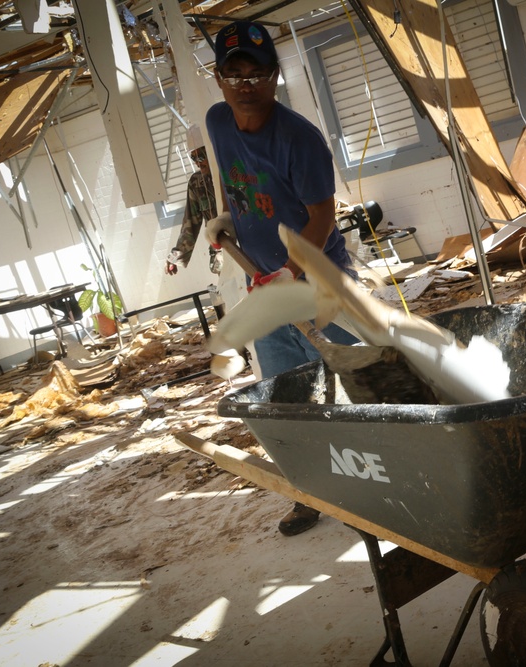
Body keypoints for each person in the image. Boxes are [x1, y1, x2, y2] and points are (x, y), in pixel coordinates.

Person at [204, 20, 359, 537]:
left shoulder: (299, 139)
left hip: (317, 283)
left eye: (256, 73)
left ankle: (380, 487)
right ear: (220, 79)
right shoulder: (218, 123)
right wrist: (227, 217)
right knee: (284, 399)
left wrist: (288, 272)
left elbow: (322, 219)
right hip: (264, 290)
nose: (245, 84)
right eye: (234, 74)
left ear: (274, 76)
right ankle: (309, 494)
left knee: (355, 389)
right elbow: (232, 177)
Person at [165, 126, 221, 278]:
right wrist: (174, 257)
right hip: (221, 255)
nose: (198, 163)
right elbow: (191, 223)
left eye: (201, 157)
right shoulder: (196, 183)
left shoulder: (232, 173)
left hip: (247, 250)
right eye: (194, 158)